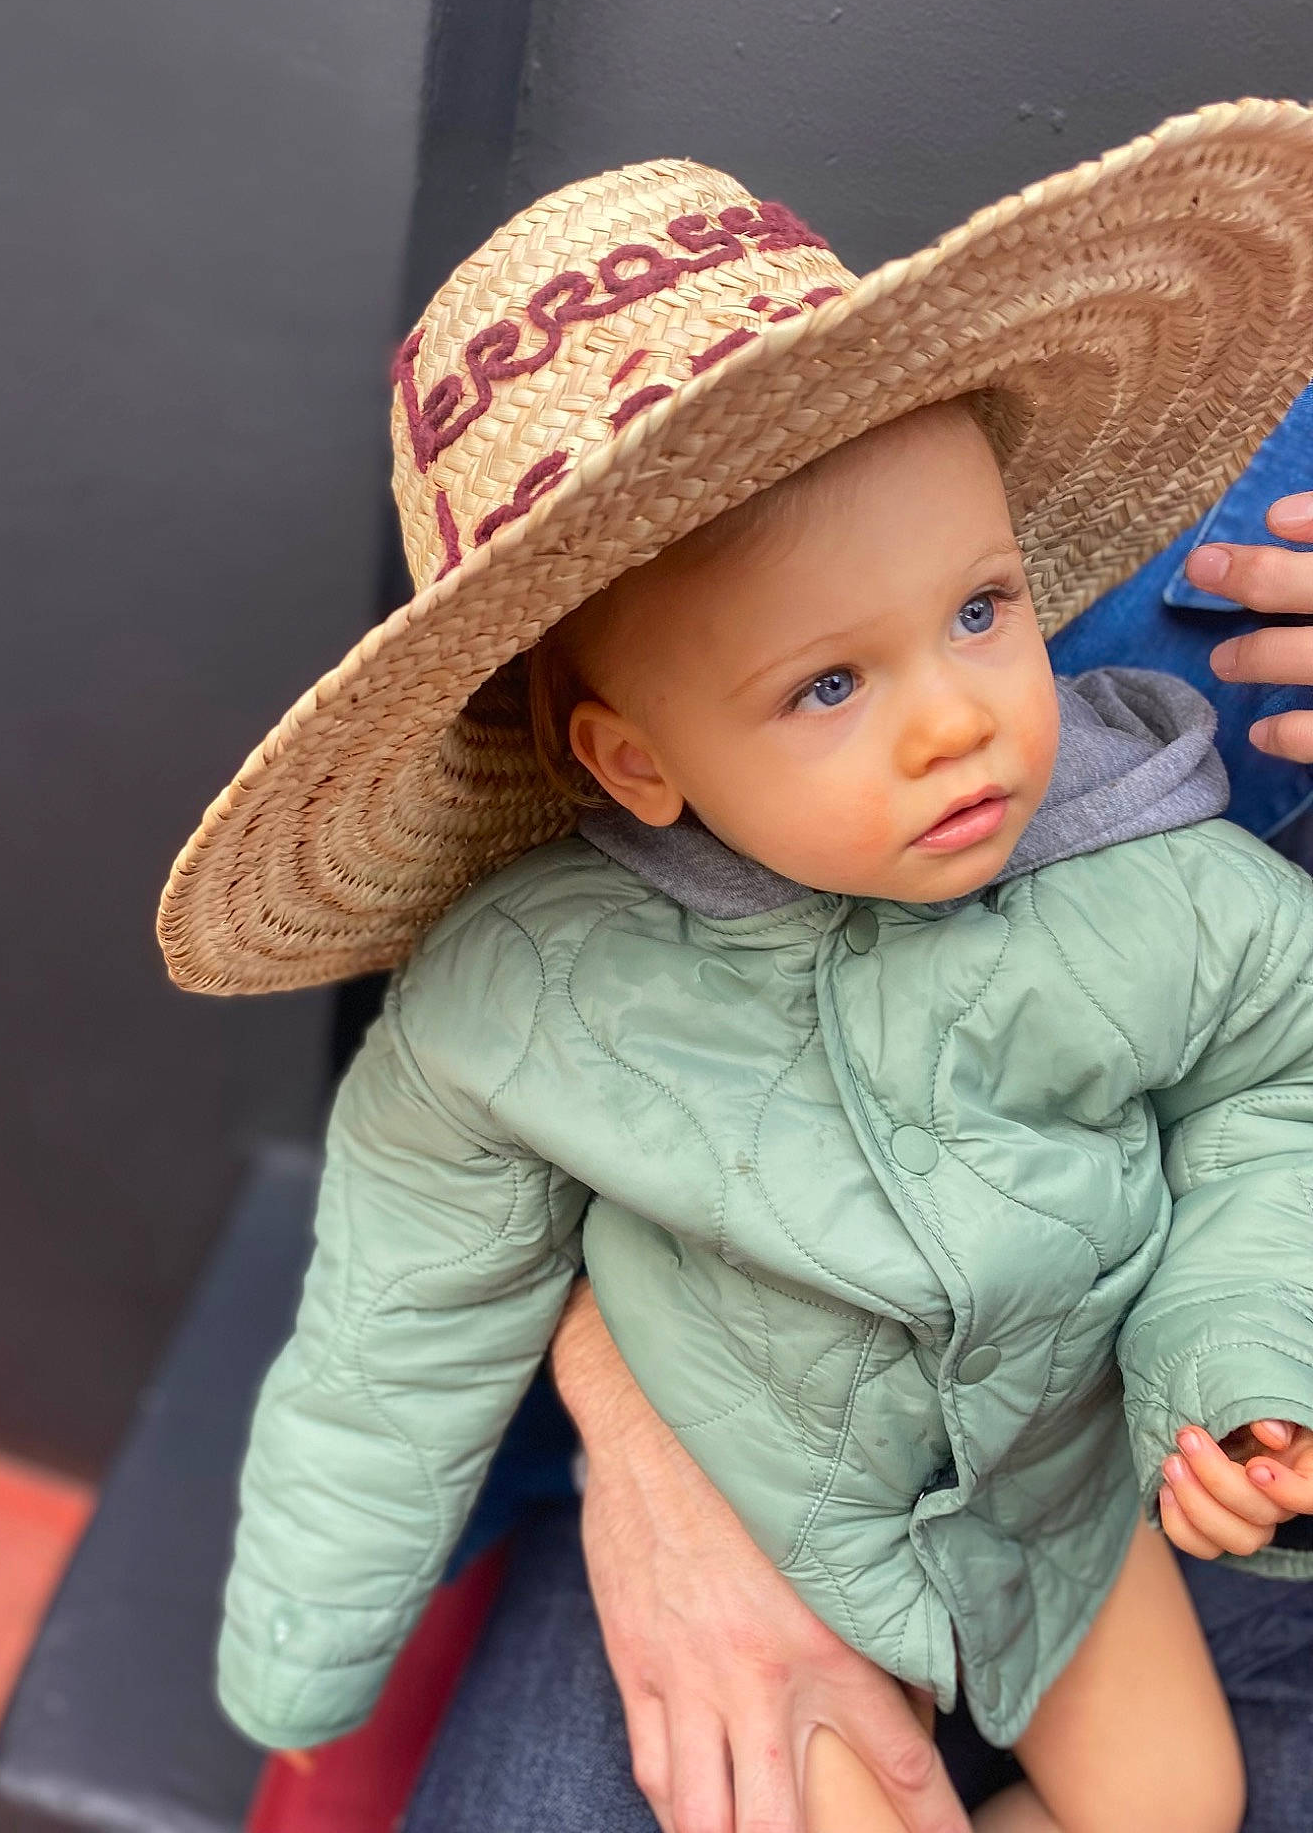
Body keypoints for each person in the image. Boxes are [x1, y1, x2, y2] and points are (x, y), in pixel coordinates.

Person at [155, 102, 1313, 1829]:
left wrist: (1248, 1375)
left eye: (985, 612)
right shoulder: (523, 1003)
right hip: (775, 1499)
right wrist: (307, 1651)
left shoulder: (1169, 887)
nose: (957, 723)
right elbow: (397, 1325)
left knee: (1181, 1805)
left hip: (1065, 1491)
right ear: (636, 762)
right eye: (830, 687)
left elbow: (1271, 1112)